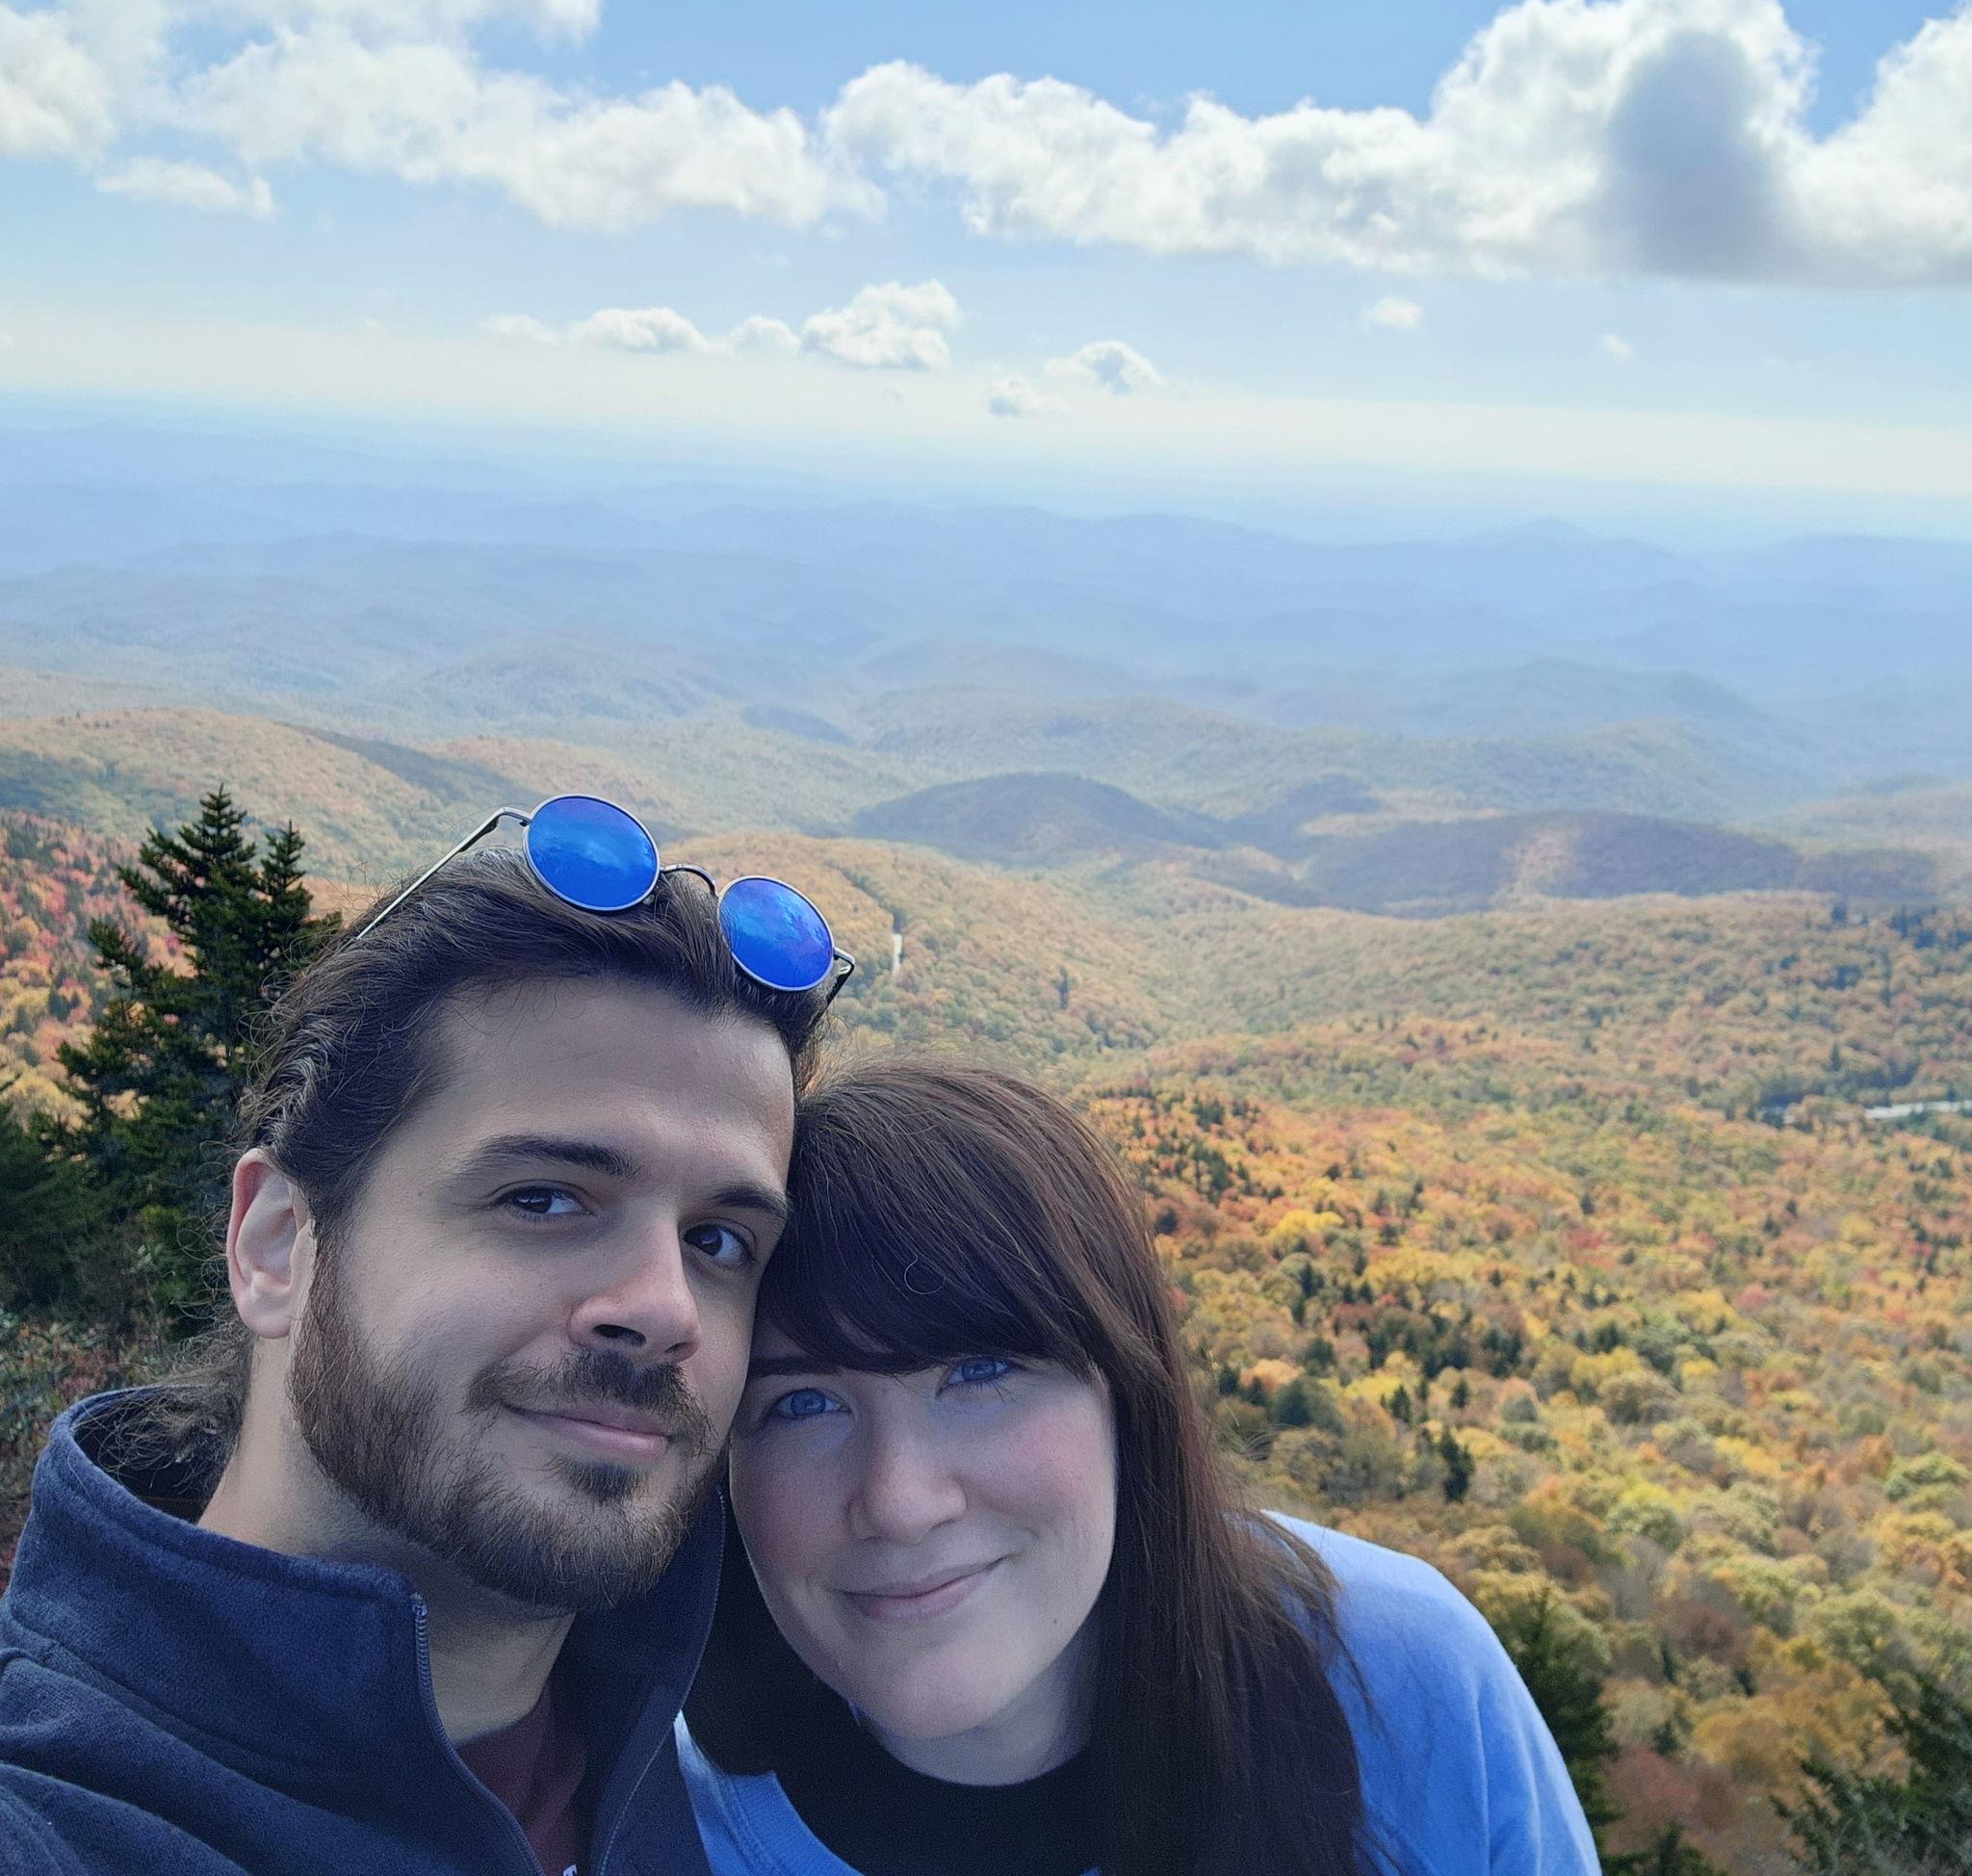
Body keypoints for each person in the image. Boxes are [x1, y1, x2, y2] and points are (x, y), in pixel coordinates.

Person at [0, 795, 852, 1876]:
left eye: (721, 1240)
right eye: (544, 1198)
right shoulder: (59, 1816)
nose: (664, 1306)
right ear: (274, 1244)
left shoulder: (718, 1755)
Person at [681, 1057, 1600, 1876]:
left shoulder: (1407, 1686)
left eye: (980, 1372)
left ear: (1126, 1390)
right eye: (800, 1405)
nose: (899, 1501)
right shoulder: (635, 1827)